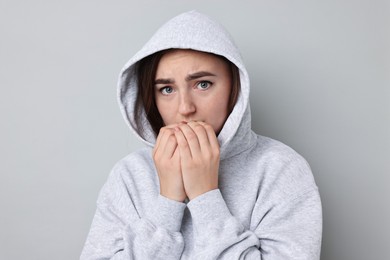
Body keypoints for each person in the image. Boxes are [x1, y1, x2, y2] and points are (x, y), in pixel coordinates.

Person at [80, 11, 322, 259]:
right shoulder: (130, 175)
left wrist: (206, 198)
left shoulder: (281, 170)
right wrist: (168, 202)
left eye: (203, 84)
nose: (185, 108)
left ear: (235, 88)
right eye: (166, 89)